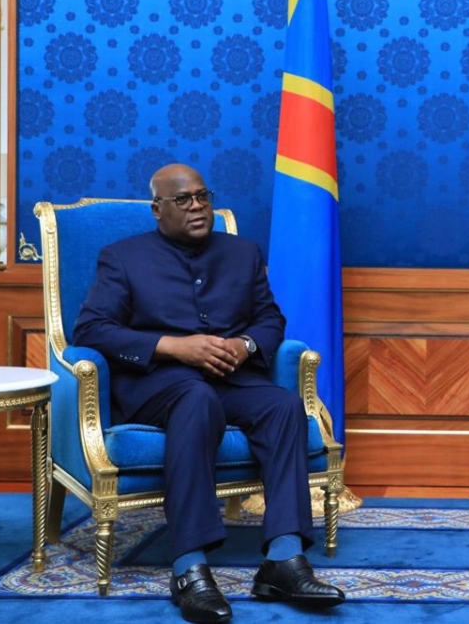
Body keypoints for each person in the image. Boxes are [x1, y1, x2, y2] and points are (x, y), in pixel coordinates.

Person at [73, 163, 344, 623]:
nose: (197, 206)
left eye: (202, 196)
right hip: (160, 383)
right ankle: (189, 566)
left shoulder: (242, 253)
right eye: (183, 200)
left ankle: (282, 559)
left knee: (283, 406)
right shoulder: (123, 257)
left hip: (231, 378)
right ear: (158, 209)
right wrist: (174, 346)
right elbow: (92, 329)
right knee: (195, 400)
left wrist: (245, 345)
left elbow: (269, 320)